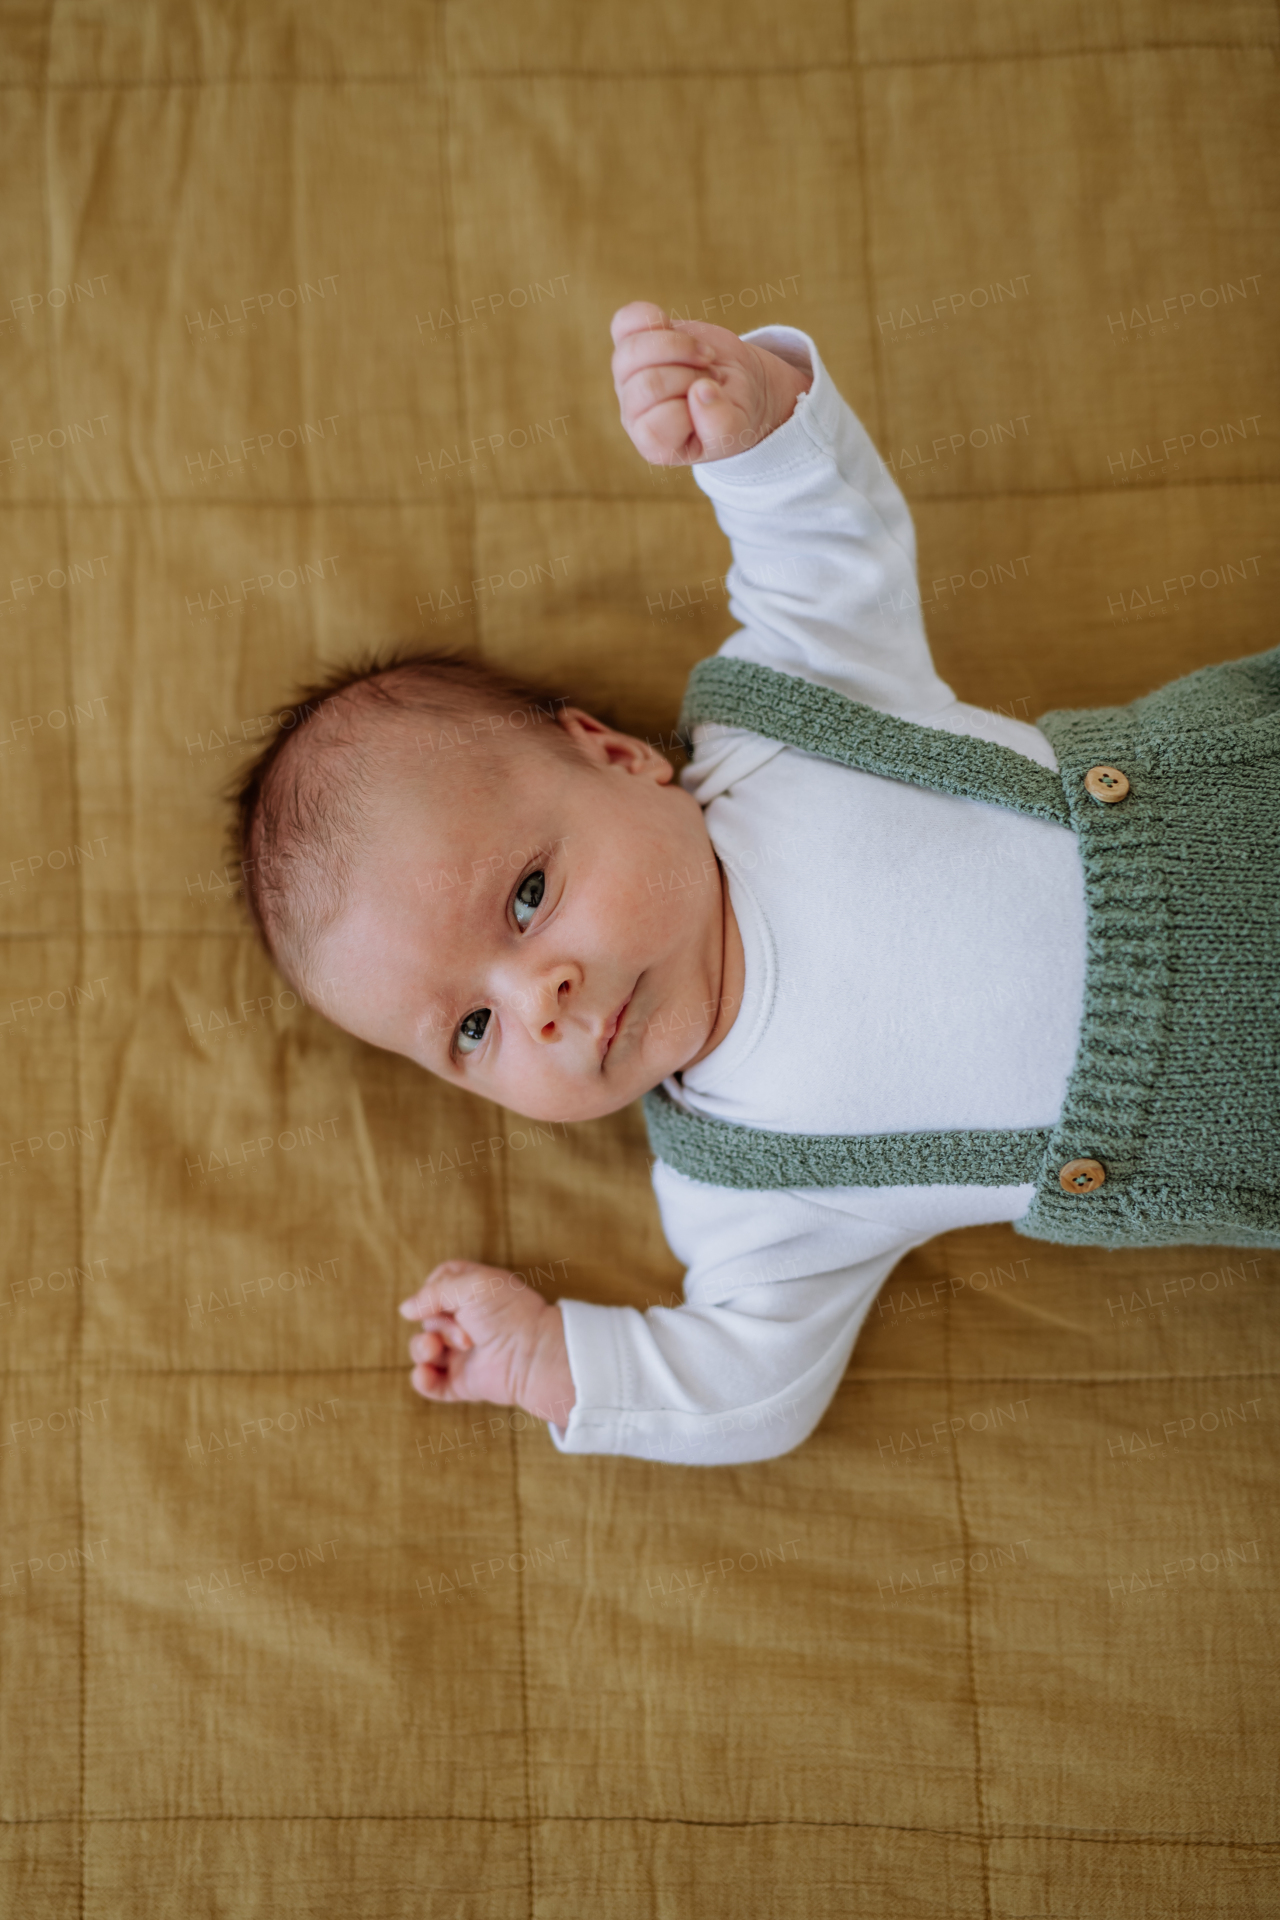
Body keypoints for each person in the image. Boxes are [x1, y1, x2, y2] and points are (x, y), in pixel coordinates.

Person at [233, 301, 1279, 1466]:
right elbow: (752, 1382)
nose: (542, 1000)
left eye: (526, 898)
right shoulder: (743, 1191)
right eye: (472, 1029)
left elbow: (829, 551)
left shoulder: (785, 715)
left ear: (618, 758)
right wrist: (554, 1361)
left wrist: (756, 426)